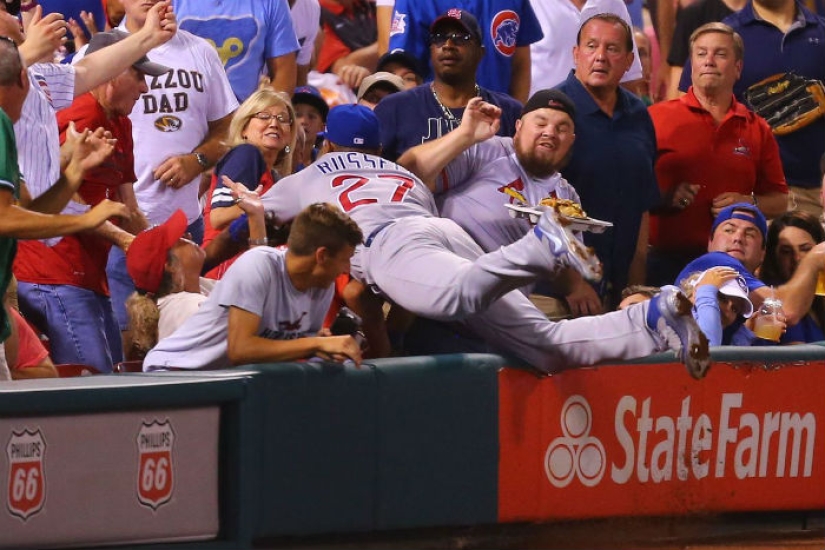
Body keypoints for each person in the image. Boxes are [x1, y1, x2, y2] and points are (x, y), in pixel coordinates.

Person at [245, 103, 710, 377]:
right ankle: (654, 318)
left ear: (328, 145)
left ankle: (539, 245)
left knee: (455, 298)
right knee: (546, 346)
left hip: (392, 243)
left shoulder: (311, 175)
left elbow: (244, 209)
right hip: (449, 237)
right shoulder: (391, 169)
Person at [15, 30, 171, 373]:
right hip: (52, 271)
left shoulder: (122, 124)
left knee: (112, 373)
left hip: (88, 273)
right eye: (139, 75)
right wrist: (123, 238)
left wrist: (161, 244)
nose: (146, 88)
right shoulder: (78, 114)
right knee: (93, 380)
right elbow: (37, 192)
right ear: (112, 73)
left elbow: (127, 206)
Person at [398, 89, 603, 317]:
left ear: (572, 140)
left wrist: (575, 284)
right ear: (518, 127)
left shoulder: (566, 197)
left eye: (562, 128)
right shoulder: (487, 150)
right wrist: (464, 135)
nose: (550, 133)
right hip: (446, 291)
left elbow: (562, 270)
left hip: (500, 311)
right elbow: (408, 174)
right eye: (540, 123)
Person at [0, 36, 129, 380]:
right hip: (52, 275)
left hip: (14, 285)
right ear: (24, 79)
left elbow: (31, 208)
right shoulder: (1, 121)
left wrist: (73, 174)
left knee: (43, 375)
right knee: (89, 383)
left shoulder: (9, 130)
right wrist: (87, 218)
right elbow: (5, 218)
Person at [143, 203, 365, 371]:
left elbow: (297, 348)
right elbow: (240, 349)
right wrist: (314, 344)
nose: (347, 269)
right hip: (174, 373)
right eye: (345, 259)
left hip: (223, 380)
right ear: (322, 256)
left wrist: (324, 349)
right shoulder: (259, 264)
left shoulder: (320, 284)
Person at [647, 22, 788, 286]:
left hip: (730, 268)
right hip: (661, 262)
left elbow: (780, 200)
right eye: (701, 54)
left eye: (720, 54)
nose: (709, 61)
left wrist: (749, 201)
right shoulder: (655, 118)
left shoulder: (758, 128)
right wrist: (663, 196)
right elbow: (628, 188)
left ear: (738, 68)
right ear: (691, 64)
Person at [680, 0, 825, 218]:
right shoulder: (723, 37)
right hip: (745, 196)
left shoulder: (822, 33)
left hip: (815, 191)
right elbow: (689, 116)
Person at [555, 13, 660, 308]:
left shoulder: (639, 114)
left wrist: (634, 286)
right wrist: (571, 283)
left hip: (620, 289)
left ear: (629, 61)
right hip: (564, 292)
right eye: (591, 46)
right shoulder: (552, 111)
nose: (600, 57)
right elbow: (532, 210)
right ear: (576, 54)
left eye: (612, 49)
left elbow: (642, 205)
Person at [375, 8, 523, 162]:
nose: (448, 45)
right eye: (439, 38)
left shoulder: (507, 111)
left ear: (480, 52)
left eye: (460, 38)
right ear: (431, 50)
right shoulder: (394, 108)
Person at [202, 86, 297, 279]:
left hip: (251, 271)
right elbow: (218, 217)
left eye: (282, 119)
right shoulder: (246, 154)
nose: (273, 123)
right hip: (224, 271)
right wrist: (269, 207)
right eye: (263, 116)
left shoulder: (277, 178)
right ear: (244, 128)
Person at [679, 202, 825, 328]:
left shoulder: (759, 288)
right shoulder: (713, 261)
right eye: (729, 230)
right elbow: (785, 310)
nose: (738, 238)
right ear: (710, 243)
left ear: (763, 252)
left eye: (750, 234)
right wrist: (813, 258)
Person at [387, 0, 543, 102]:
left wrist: (514, 116)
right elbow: (402, 71)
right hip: (435, 120)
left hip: (497, 118)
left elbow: (520, 64)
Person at [125, 209, 211, 360]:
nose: (189, 235)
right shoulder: (184, 307)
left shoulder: (199, 288)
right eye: (181, 239)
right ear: (169, 266)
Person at [173, 0, 300, 98]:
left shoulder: (272, 2)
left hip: (242, 121)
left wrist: (258, 117)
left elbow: (284, 78)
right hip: (182, 115)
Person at [528, 0, 644, 96]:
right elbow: (517, 66)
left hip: (598, 118)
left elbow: (629, 77)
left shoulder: (612, 3)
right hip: (541, 115)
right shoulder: (531, 3)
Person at [759, 210, 825, 343]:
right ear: (773, 257)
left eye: (806, 249)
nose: (797, 259)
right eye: (786, 252)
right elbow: (796, 357)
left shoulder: (820, 291)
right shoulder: (769, 300)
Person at [662, 0, 745, 100]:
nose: (709, 61)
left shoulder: (765, 16)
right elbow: (676, 86)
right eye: (702, 53)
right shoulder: (694, 14)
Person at [679, 266, 757, 345]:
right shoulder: (669, 313)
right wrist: (706, 291)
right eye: (722, 298)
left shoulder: (732, 337)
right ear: (696, 292)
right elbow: (707, 350)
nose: (728, 309)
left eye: (735, 309)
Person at [317, 0, 378, 93]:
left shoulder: (368, 5)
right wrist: (390, 41)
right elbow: (341, 69)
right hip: (344, 98)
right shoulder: (317, 12)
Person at [292, 84, 329, 172]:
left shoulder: (325, 163)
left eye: (312, 116)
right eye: (297, 115)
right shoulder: (278, 160)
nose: (304, 121)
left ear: (322, 127)